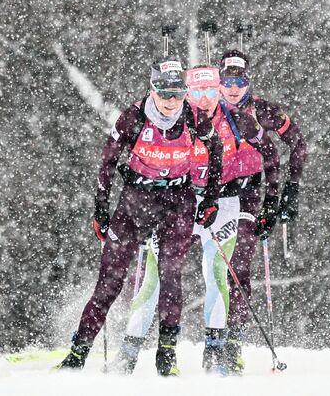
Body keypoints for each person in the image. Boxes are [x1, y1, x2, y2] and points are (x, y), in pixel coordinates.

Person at [58, 57, 224, 375]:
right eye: (163, 92)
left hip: (177, 202)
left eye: (177, 92)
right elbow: (107, 162)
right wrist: (100, 210)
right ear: (152, 88)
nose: (170, 100)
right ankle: (77, 355)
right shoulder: (134, 117)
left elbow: (215, 151)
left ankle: (166, 355)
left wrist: (211, 199)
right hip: (135, 203)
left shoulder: (194, 117)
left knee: (170, 274)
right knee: (110, 282)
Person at [113, 64, 280, 376]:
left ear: (218, 89)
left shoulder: (237, 119)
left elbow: (271, 155)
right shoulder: (175, 116)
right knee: (155, 276)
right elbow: (141, 152)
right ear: (187, 91)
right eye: (196, 91)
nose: (204, 99)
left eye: (210, 90)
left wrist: (271, 201)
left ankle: (215, 353)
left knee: (217, 274)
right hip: (179, 202)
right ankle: (130, 351)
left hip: (222, 205)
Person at [215, 48, 307, 373]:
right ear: (219, 80)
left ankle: (232, 342)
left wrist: (286, 193)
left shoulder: (263, 111)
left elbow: (297, 142)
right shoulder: (206, 112)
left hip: (250, 194)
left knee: (238, 267)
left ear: (247, 80)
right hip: (212, 194)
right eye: (228, 80)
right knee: (210, 271)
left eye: (239, 80)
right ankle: (211, 340)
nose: (234, 87)